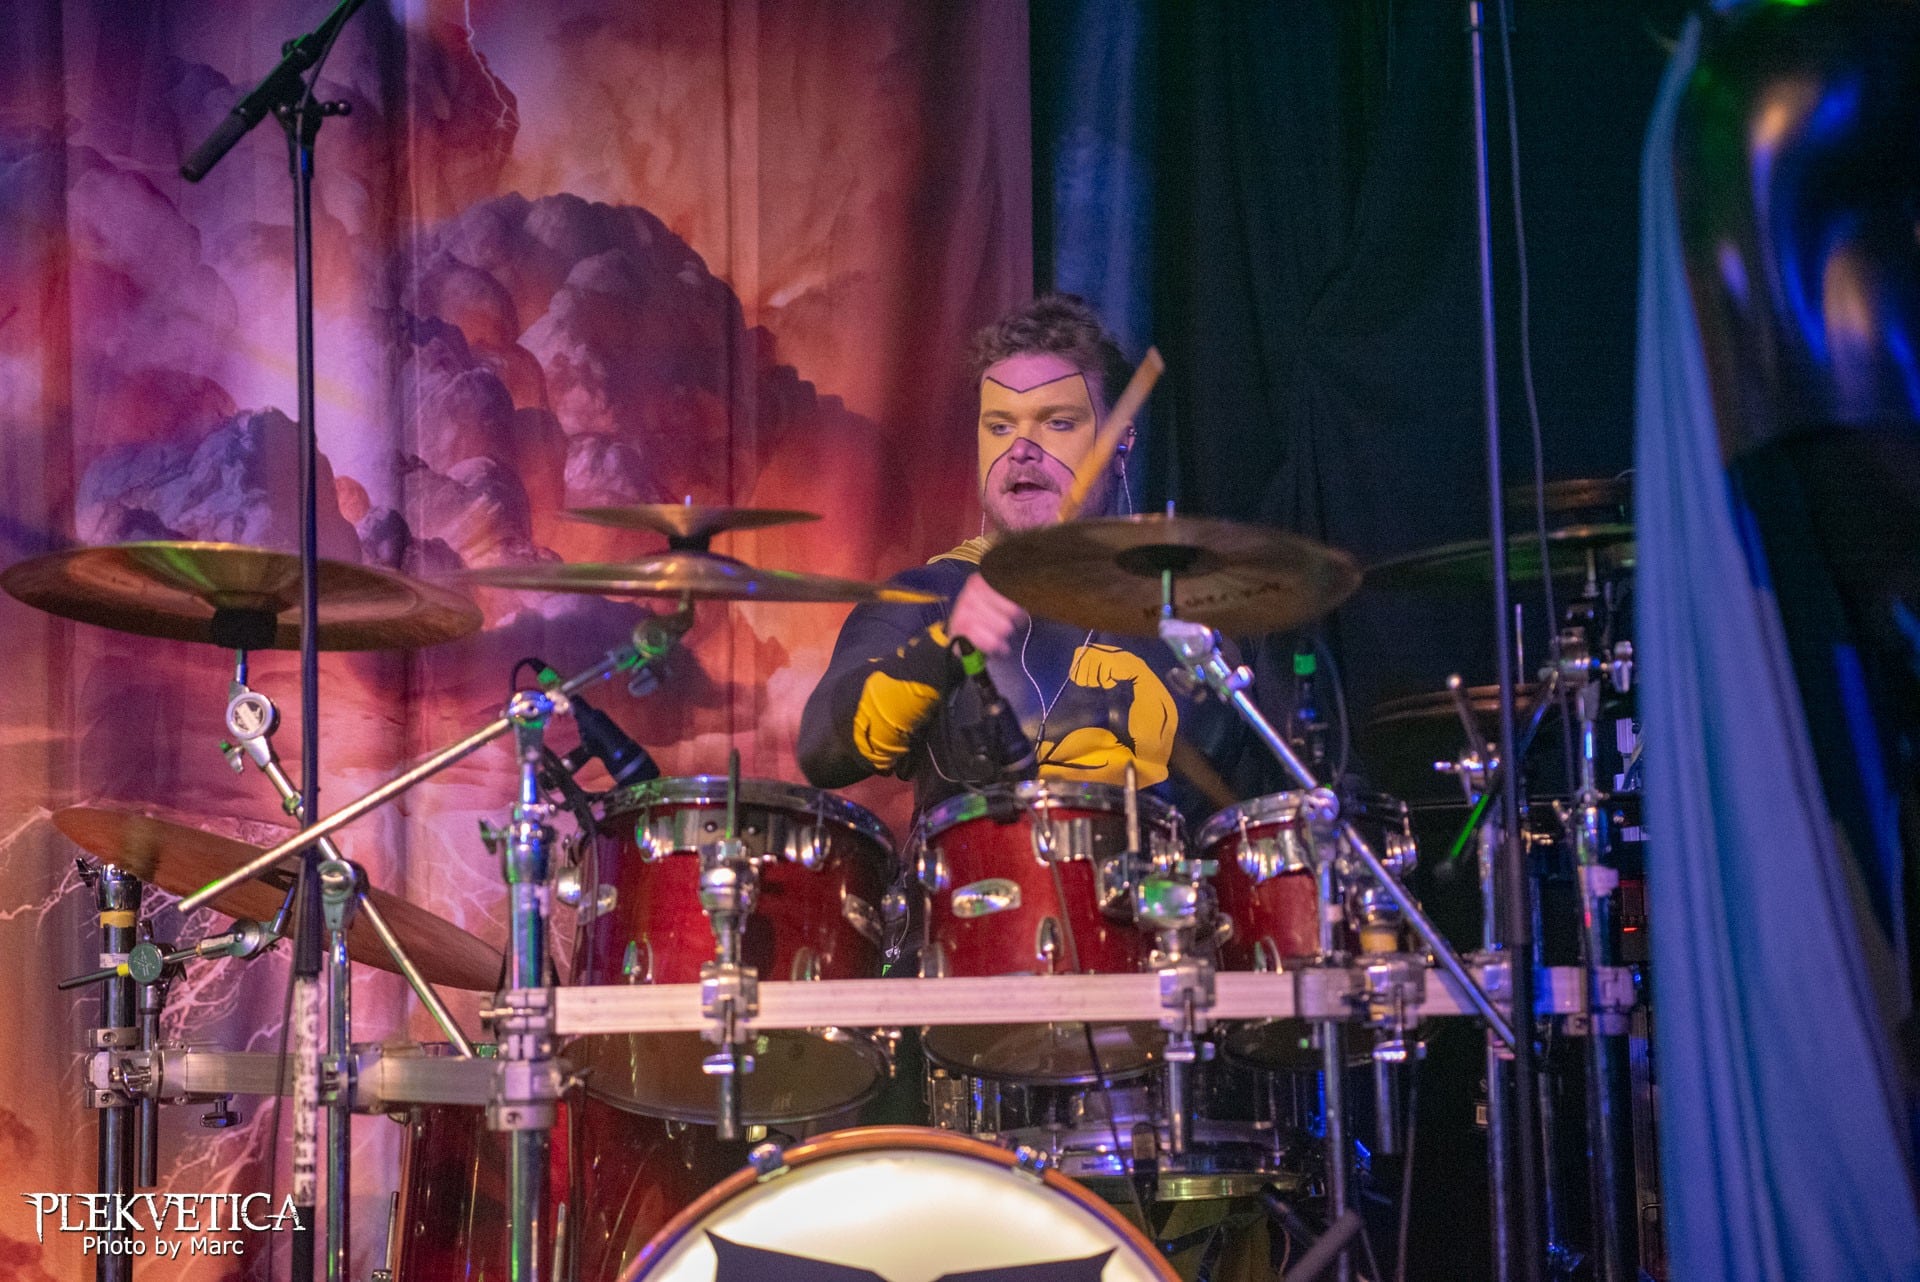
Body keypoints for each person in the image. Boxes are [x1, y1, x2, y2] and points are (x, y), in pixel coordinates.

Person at [797, 293, 1247, 821]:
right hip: (976, 875)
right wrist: (943, 648)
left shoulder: (1198, 608)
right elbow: (822, 751)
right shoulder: (929, 596)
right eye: (1000, 427)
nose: (1020, 450)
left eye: (1057, 422)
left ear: (1121, 441)